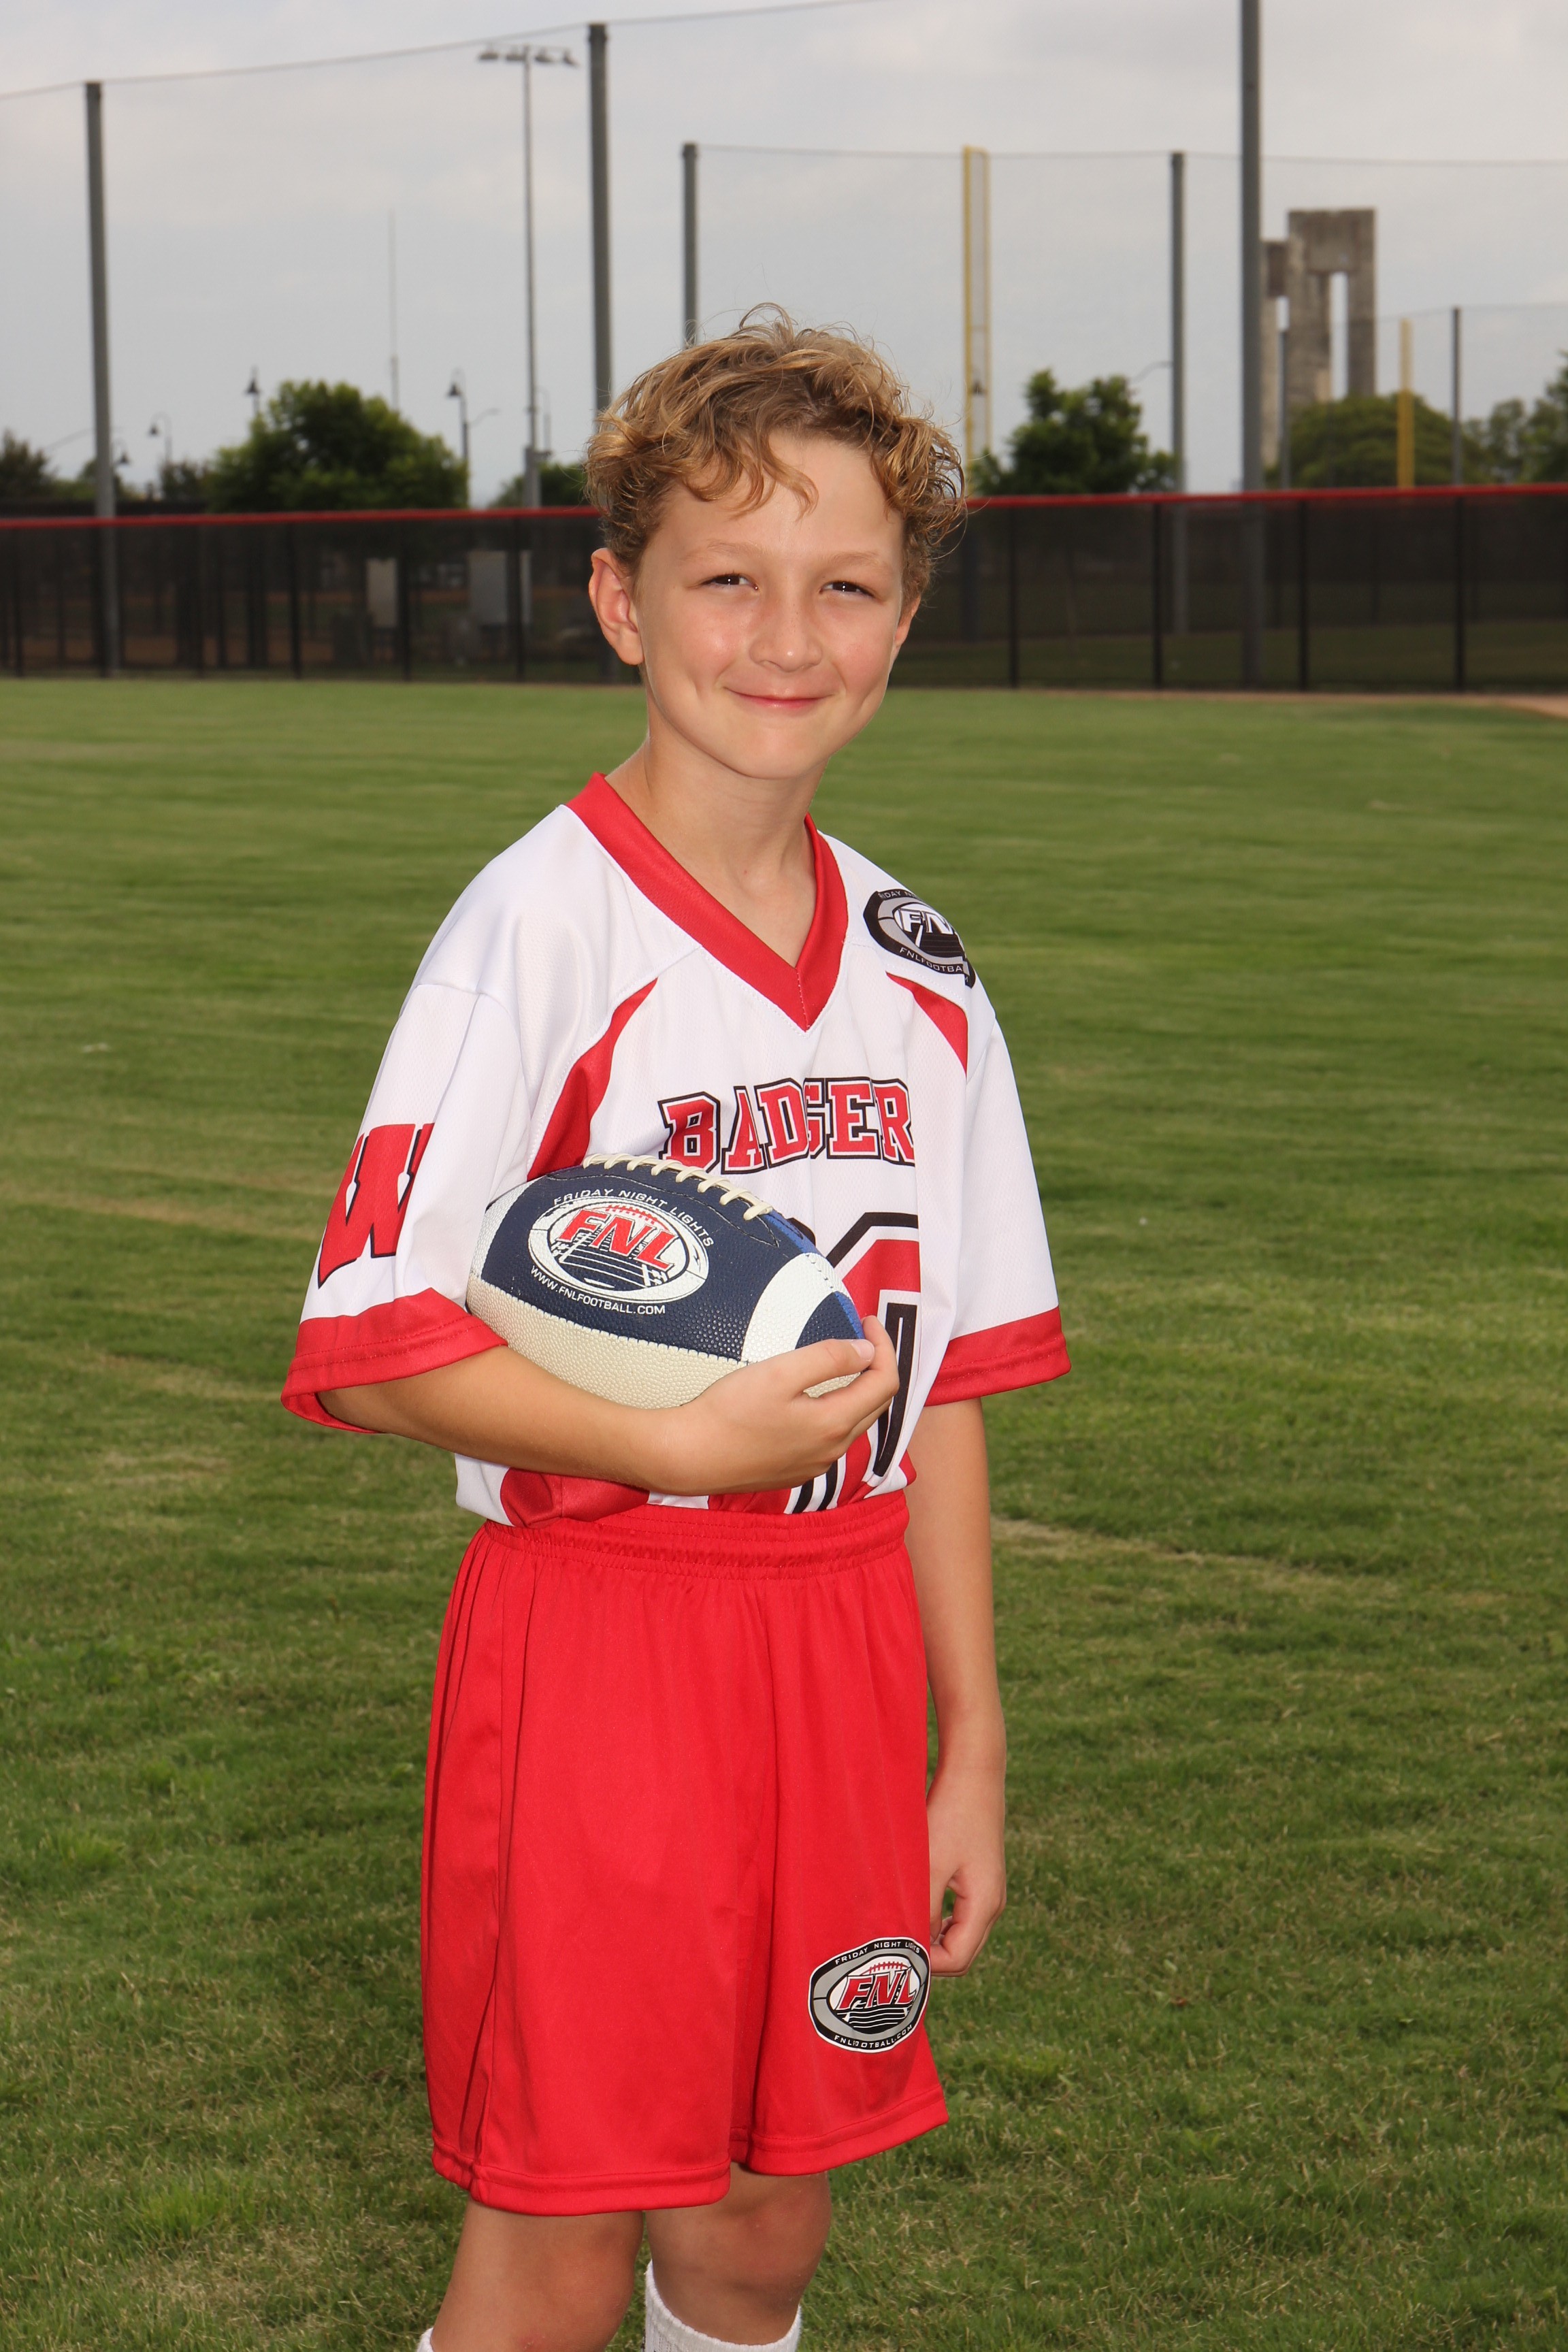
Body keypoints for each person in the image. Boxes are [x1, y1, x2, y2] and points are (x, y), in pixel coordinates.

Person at [282, 311, 1068, 2352]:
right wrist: (676, 1447)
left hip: (843, 1652)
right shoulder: (538, 931)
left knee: (758, 2231)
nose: (786, 637)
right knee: (557, 2240)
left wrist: (971, 1743)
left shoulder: (921, 968)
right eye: (729, 578)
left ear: (905, 621)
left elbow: (945, 1392)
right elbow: (370, 1345)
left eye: (847, 586)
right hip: (606, 1645)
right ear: (623, 603)